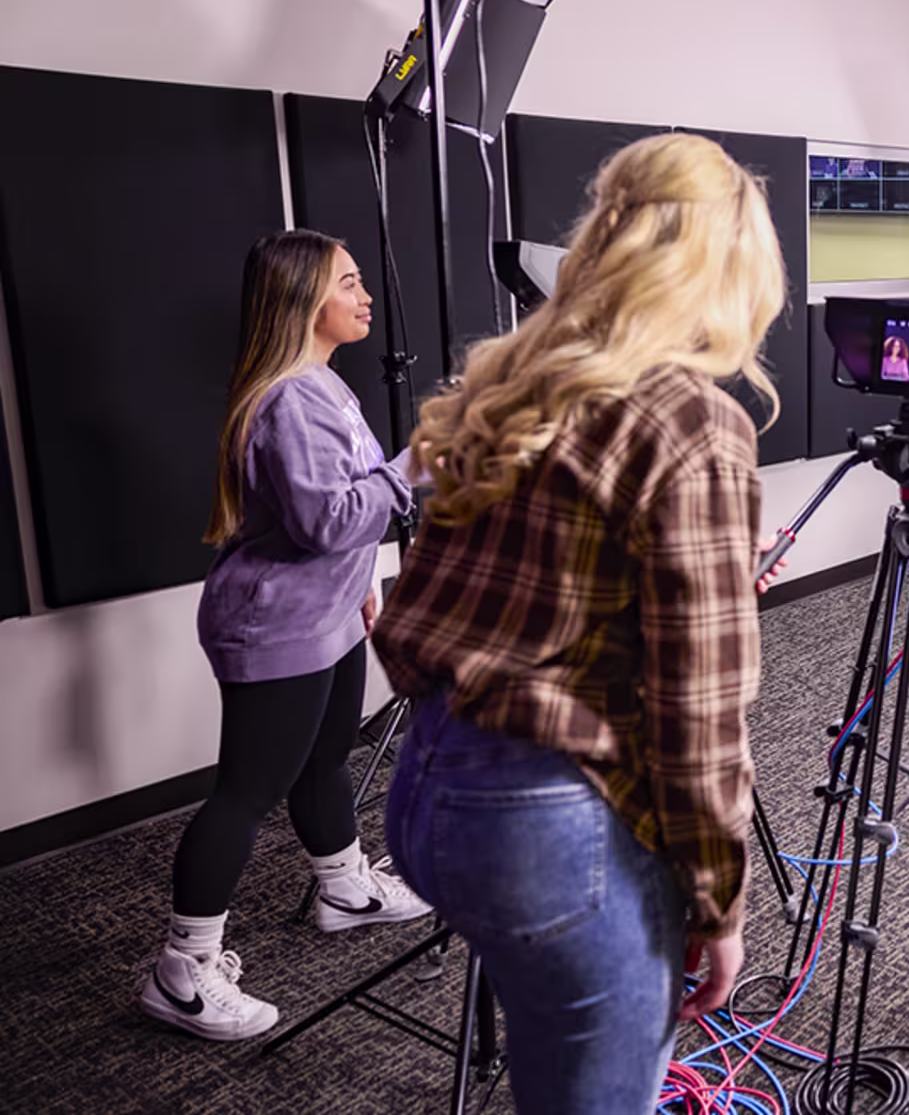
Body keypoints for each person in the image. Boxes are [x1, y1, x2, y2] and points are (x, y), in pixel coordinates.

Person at [374, 133, 784, 1115]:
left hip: (427, 791)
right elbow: (700, 711)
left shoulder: (512, 379)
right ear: (727, 269)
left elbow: (480, 592)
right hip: (548, 827)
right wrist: (718, 899)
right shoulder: (693, 419)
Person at [139, 230, 431, 1043]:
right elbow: (324, 521)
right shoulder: (292, 399)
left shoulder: (324, 386)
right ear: (304, 300)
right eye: (348, 282)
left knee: (326, 757)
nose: (365, 295)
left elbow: (342, 510)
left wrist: (363, 590)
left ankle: (343, 887)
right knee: (247, 791)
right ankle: (182, 970)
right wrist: (416, 466)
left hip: (327, 614)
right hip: (273, 626)